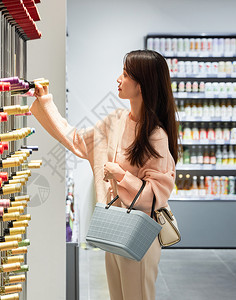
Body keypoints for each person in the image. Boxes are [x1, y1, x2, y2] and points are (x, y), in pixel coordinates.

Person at [30, 49, 179, 300]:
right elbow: (78, 140)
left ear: (141, 85)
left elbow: (158, 195)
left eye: (124, 74)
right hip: (115, 229)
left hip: (140, 235)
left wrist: (121, 176)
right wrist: (46, 103)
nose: (118, 80)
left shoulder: (156, 136)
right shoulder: (115, 121)